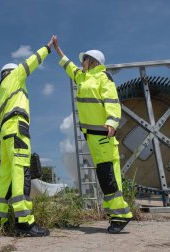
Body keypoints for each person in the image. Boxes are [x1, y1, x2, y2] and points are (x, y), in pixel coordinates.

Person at [52, 36, 133, 234]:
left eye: (84, 60)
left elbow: (112, 101)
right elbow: (69, 67)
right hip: (93, 136)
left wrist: (113, 121)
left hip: (103, 134)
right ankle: (116, 214)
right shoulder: (83, 77)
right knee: (105, 175)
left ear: (92, 61)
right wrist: (58, 50)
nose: (81, 63)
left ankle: (121, 215)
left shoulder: (103, 78)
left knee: (107, 175)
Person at [0, 36, 54, 237]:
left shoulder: (0, 95)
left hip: (5, 136)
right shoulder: (15, 78)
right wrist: (47, 48)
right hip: (18, 130)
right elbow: (31, 62)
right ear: (11, 72)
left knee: (6, 178)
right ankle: (24, 222)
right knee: (21, 174)